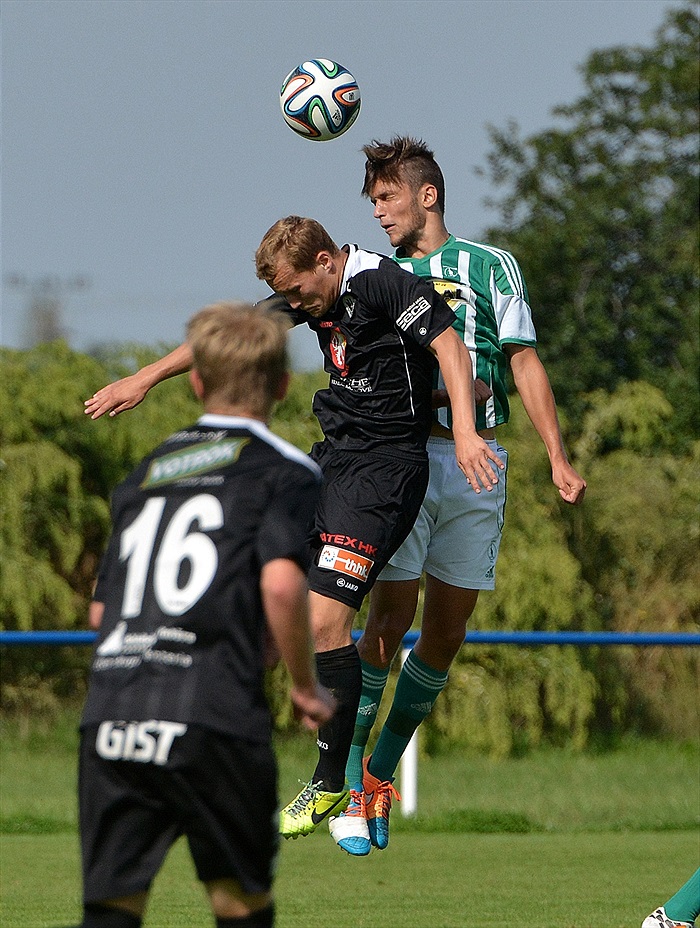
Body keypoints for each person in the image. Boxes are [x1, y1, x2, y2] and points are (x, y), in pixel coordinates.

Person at [83, 216, 504, 843]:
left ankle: (333, 781)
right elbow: (233, 338)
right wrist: (141, 378)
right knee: (258, 594)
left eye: (302, 293)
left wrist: (465, 430)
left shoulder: (384, 284)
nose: (298, 306)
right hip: (334, 462)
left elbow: (450, 347)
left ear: (329, 260)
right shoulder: (308, 290)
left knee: (329, 619)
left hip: (386, 472)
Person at [328, 137, 587, 857]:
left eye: (387, 198)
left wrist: (558, 457)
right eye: (372, 201)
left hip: (479, 465)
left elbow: (523, 359)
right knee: (388, 618)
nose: (378, 213)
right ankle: (350, 778)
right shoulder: (369, 275)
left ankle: (382, 772)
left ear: (427, 195)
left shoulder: (487, 265)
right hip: (400, 462)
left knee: (446, 633)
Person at [73, 301, 335, 928]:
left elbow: (101, 611)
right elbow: (280, 585)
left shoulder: (147, 474)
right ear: (282, 384)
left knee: (111, 908)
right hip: (212, 715)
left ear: (195, 381)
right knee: (238, 902)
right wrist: (304, 686)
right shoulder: (285, 471)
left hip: (114, 717)